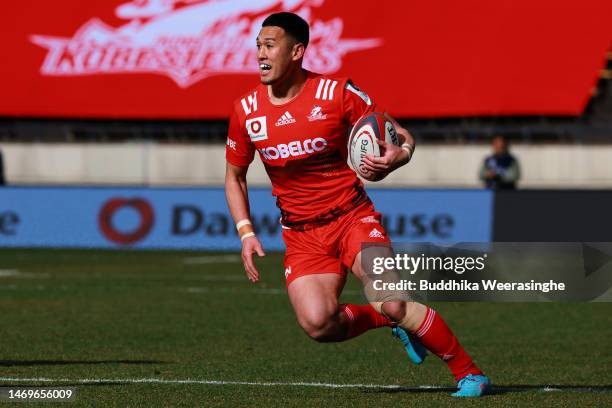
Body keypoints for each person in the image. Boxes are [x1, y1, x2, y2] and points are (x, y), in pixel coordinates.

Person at [225, 12, 491, 397]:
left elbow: (400, 135)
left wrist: (399, 155)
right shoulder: (246, 111)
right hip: (302, 234)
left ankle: (469, 373)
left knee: (394, 300)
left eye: (270, 45)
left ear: (297, 51)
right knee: (319, 324)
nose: (261, 54)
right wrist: (245, 232)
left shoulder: (336, 93)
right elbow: (234, 177)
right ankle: (386, 323)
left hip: (352, 218)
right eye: (258, 46)